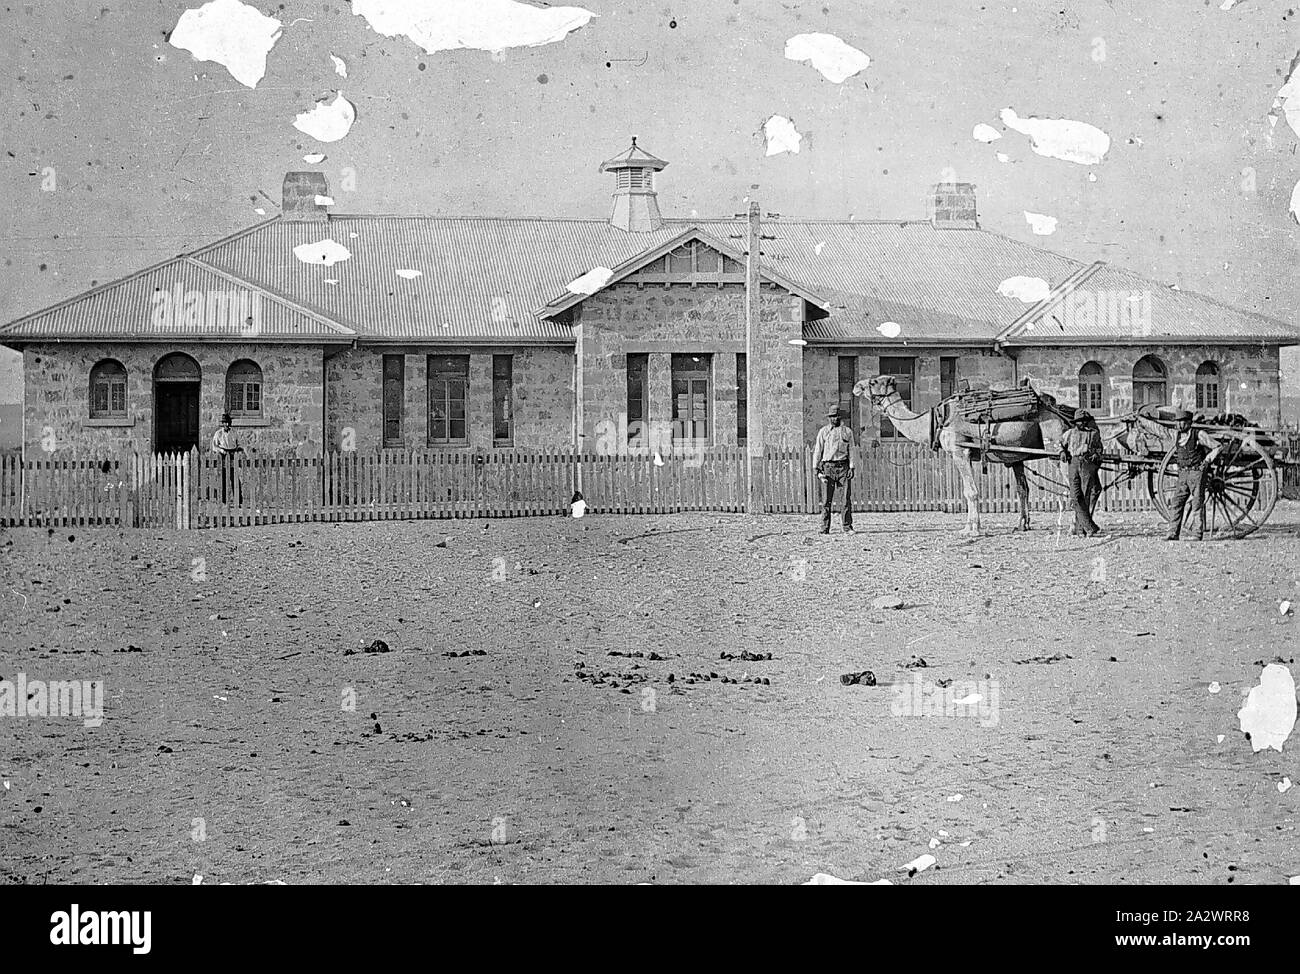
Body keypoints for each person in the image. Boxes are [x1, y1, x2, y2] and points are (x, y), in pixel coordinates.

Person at [1165, 410, 1223, 542]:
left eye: (1183, 422)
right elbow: (1161, 431)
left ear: (1189, 423)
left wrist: (1207, 461)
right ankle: (1173, 533)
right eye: (1178, 422)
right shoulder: (1177, 436)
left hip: (1197, 473)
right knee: (1177, 502)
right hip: (1183, 474)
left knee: (1197, 503)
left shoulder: (1199, 435)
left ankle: (1197, 534)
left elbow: (1218, 447)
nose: (1180, 425)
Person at [1059, 410, 1104, 537]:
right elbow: (1060, 444)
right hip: (1073, 463)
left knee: (1085, 495)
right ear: (1076, 422)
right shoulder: (1070, 433)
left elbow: (1100, 448)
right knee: (1075, 496)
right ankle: (1090, 526)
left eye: (1084, 421)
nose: (1082, 423)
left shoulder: (1093, 434)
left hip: (1087, 464)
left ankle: (1081, 529)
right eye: (1079, 421)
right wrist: (1062, 452)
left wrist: (1097, 453)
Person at [813, 405, 856, 535]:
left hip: (843, 467)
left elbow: (852, 450)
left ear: (840, 417)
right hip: (828, 468)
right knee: (827, 500)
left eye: (836, 416)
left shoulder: (847, 432)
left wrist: (851, 467)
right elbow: (818, 450)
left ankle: (847, 527)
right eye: (832, 416)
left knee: (845, 499)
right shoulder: (824, 432)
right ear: (829, 418)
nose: (834, 419)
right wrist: (815, 467)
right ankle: (824, 527)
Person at [211, 412, 244, 504]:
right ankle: (224, 501)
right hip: (223, 456)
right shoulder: (218, 433)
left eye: (228, 422)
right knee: (223, 479)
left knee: (235, 479)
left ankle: (238, 501)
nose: (226, 424)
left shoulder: (234, 432)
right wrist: (221, 451)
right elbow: (214, 446)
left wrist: (238, 449)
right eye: (224, 422)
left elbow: (239, 444)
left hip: (233, 455)